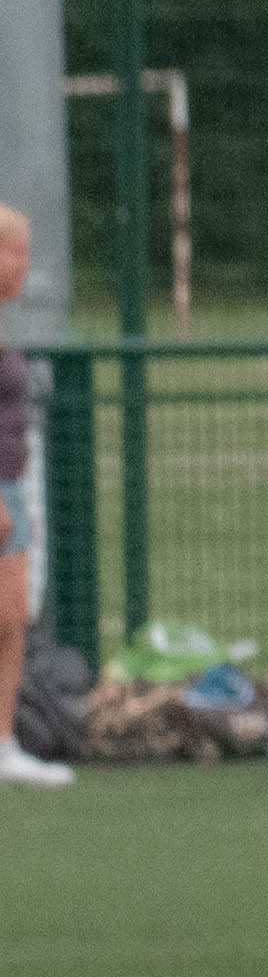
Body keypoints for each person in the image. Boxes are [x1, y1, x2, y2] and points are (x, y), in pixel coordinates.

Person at [0, 201, 59, 794]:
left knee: (11, 620)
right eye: (17, 251)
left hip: (10, 485)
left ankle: (3, 745)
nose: (25, 264)